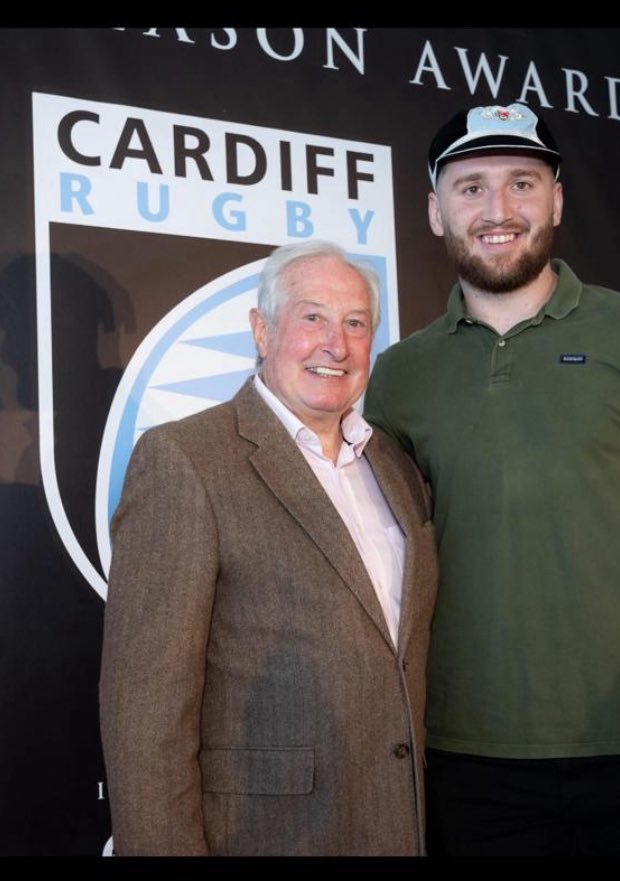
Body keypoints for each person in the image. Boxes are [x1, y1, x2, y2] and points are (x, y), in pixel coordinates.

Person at [363, 103, 620, 856]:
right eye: (470, 187)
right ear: (435, 210)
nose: (497, 209)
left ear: (557, 201)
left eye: (522, 183)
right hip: (462, 756)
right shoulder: (398, 373)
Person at [99, 240, 438, 856]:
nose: (335, 344)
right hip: (267, 836)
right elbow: (145, 711)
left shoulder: (395, 467)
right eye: (312, 317)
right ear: (262, 329)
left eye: (355, 323)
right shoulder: (186, 461)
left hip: (397, 827)